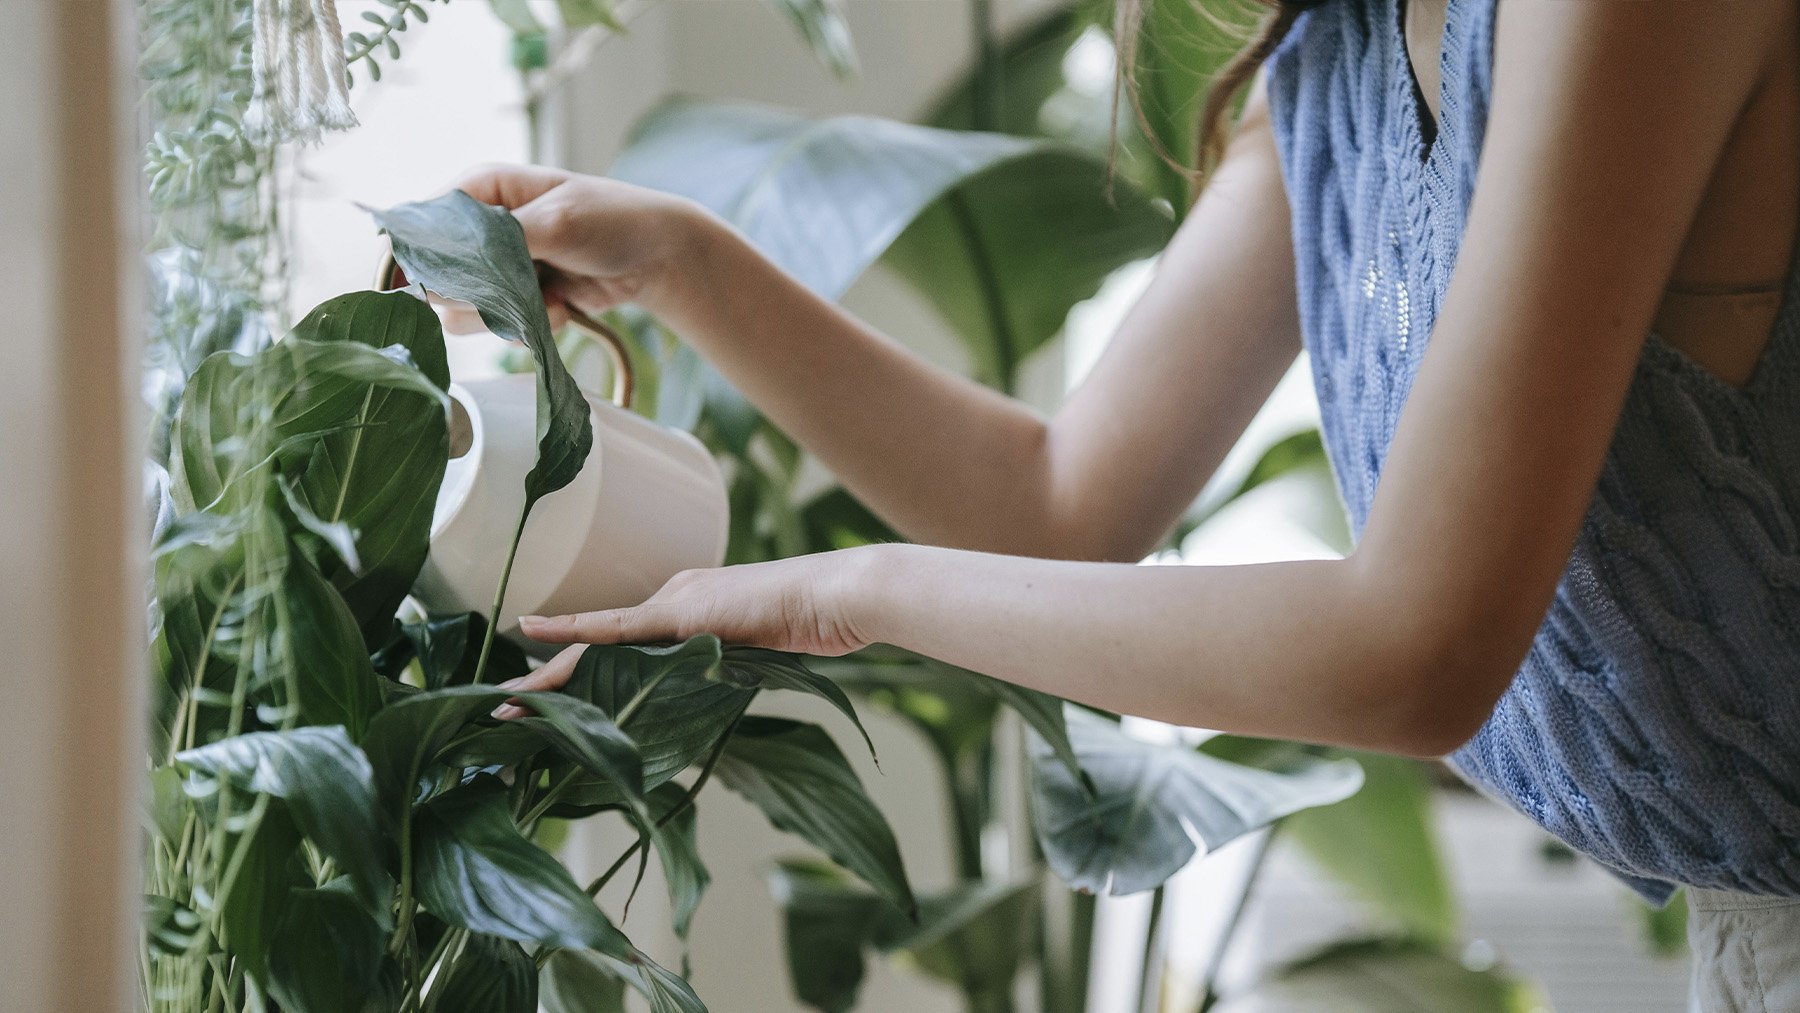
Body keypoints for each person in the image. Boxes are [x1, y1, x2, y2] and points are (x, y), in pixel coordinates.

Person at [456, 1, 1799, 1005]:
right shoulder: (1342, 51)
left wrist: (843, 592)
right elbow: (1058, 500)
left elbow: (1417, 646)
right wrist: (680, 261)